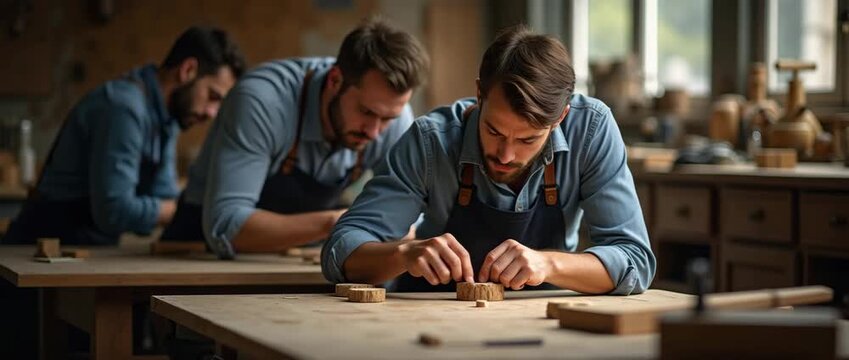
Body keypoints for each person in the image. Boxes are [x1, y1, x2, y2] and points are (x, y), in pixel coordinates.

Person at [322, 26, 655, 295]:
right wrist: (403, 254)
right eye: (494, 131)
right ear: (479, 94)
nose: (506, 155)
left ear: (561, 117)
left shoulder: (591, 129)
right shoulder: (431, 140)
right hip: (432, 311)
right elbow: (341, 249)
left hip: (542, 314)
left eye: (528, 139)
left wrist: (548, 265)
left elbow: (635, 261)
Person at [160, 17, 429, 259]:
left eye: (387, 119)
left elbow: (408, 220)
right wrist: (338, 223)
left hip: (298, 253)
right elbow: (226, 225)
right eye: (366, 112)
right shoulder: (263, 102)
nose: (374, 131)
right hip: (200, 248)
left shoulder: (395, 115)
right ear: (335, 80)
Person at [3, 26, 245, 245]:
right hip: (39, 251)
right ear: (188, 70)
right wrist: (188, 211)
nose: (212, 113)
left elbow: (165, 195)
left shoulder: (168, 117)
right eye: (212, 96)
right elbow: (114, 211)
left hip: (86, 249)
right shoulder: (123, 107)